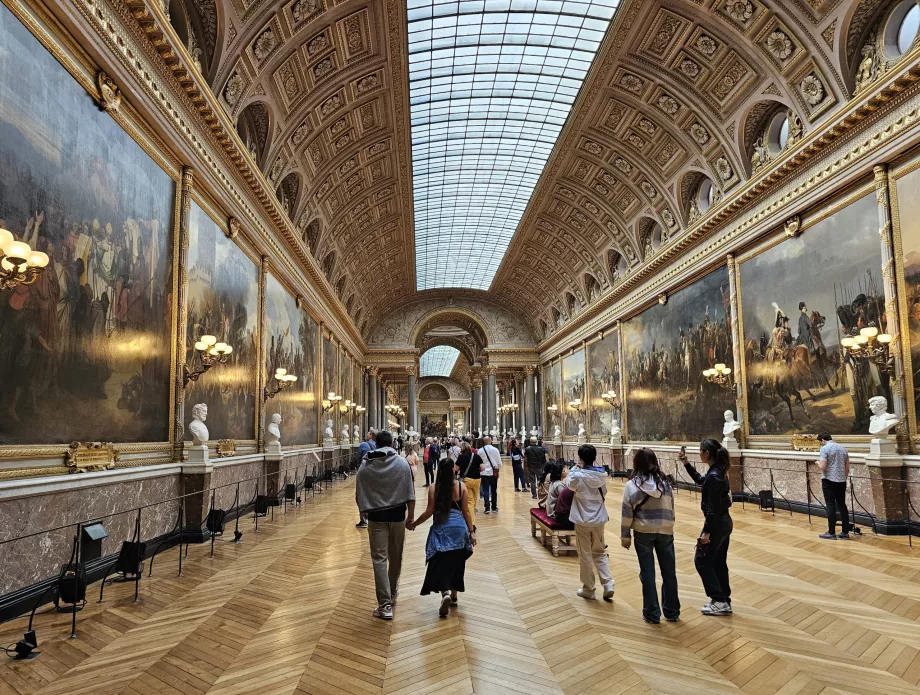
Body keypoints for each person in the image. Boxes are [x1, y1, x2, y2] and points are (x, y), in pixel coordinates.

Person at [355, 431, 416, 620]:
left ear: (375, 443)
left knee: (379, 559)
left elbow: (359, 493)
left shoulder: (366, 466)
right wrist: (411, 517)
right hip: (398, 516)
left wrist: (363, 511)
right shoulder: (401, 463)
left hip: (376, 517)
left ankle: (385, 605)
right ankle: (392, 593)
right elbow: (410, 492)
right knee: (396, 556)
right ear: (391, 443)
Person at [409, 453, 476, 617]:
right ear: (453, 470)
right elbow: (466, 512)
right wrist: (472, 532)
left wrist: (414, 524)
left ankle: (445, 593)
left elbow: (429, 511)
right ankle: (454, 596)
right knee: (457, 562)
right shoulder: (461, 487)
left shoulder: (434, 487)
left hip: (441, 529)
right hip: (459, 529)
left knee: (440, 563)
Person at [620, 448, 679, 624]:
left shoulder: (631, 486)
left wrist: (625, 536)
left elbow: (626, 513)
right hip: (666, 530)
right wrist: (669, 524)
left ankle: (652, 613)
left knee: (648, 573)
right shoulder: (666, 484)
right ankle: (672, 611)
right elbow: (671, 508)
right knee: (669, 573)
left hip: (643, 532)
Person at [680, 440, 733, 616]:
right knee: (717, 561)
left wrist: (707, 532)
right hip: (723, 522)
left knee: (701, 561)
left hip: (717, 523)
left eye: (700, 451)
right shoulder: (717, 472)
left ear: (707, 453)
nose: (699, 454)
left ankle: (719, 599)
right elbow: (700, 480)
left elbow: (712, 509)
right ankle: (724, 599)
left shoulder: (715, 476)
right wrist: (686, 464)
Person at [567, 444, 614, 601]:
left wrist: (575, 468)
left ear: (580, 458)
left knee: (585, 554)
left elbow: (569, 484)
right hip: (599, 519)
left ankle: (589, 589)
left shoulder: (578, 476)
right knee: (599, 551)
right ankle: (608, 584)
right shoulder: (601, 476)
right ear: (594, 458)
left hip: (582, 521)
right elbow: (604, 492)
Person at [817, 432, 851, 539]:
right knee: (842, 505)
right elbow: (847, 467)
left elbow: (822, 467)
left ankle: (831, 532)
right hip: (841, 481)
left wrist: (817, 463)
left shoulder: (825, 449)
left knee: (830, 505)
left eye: (820, 442)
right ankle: (845, 532)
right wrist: (843, 479)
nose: (821, 444)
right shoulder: (843, 448)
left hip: (829, 480)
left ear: (823, 440)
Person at [456, 441, 484, 528]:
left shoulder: (461, 457)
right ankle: (472, 518)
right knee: (474, 500)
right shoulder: (476, 456)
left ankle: (472, 523)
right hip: (477, 480)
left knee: (470, 502)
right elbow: (482, 468)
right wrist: (475, 470)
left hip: (467, 480)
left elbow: (455, 469)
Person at [355, 430, 376, 529]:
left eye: (368, 433)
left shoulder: (364, 444)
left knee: (360, 496)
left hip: (364, 472)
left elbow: (358, 457)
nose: (366, 434)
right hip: (376, 472)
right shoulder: (378, 445)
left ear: (371, 435)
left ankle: (363, 519)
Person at [478, 435, 502, 514]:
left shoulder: (480, 451)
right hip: (493, 473)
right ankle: (494, 507)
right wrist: (497, 469)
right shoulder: (495, 450)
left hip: (484, 473)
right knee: (493, 490)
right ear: (490, 441)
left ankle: (487, 508)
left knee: (485, 490)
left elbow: (479, 463)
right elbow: (499, 463)